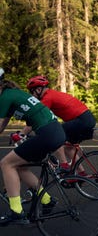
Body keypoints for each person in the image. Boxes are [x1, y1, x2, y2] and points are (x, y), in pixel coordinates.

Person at [0, 68, 66, 224]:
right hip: (55, 131)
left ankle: (16, 211)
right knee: (20, 167)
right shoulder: (12, 94)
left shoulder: (5, 97)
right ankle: (47, 200)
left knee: (6, 164)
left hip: (47, 134)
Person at [24, 75, 96, 174]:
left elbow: (37, 118)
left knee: (55, 136)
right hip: (86, 118)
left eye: (31, 92)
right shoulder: (52, 94)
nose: (32, 95)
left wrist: (22, 133)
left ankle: (64, 165)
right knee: (68, 148)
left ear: (39, 89)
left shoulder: (48, 98)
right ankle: (81, 173)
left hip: (81, 119)